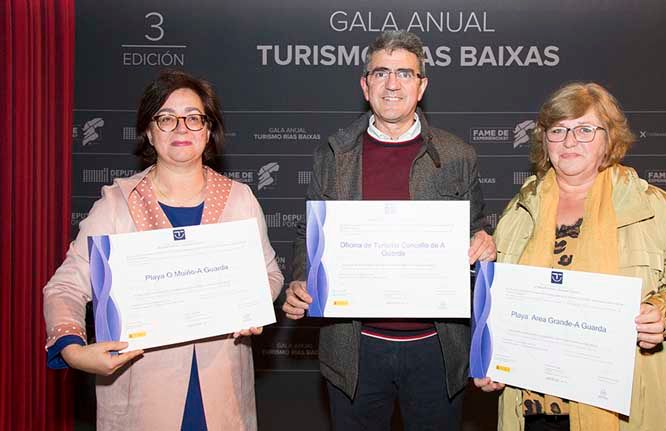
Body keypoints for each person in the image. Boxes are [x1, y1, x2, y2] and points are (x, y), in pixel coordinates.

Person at [43, 69, 284, 430]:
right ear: (149, 132)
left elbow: (270, 273)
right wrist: (73, 350)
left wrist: (253, 303)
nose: (181, 128)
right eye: (166, 119)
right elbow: (65, 287)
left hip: (221, 393)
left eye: (193, 118)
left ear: (208, 130)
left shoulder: (240, 199)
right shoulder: (116, 204)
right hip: (140, 393)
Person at [281, 30, 496, 430]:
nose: (392, 84)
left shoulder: (458, 156)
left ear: (422, 85)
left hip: (436, 349)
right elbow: (306, 235)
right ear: (365, 85)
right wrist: (299, 279)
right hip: (355, 349)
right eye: (381, 73)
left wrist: (485, 243)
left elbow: (477, 227)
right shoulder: (333, 153)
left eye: (405, 74)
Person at [474, 82, 666, 431]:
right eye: (558, 130)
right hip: (532, 410)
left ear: (610, 139)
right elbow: (500, 308)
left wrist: (664, 311)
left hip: (621, 410)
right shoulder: (520, 210)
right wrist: (491, 361)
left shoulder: (653, 208)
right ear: (544, 141)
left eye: (585, 129)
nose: (570, 142)